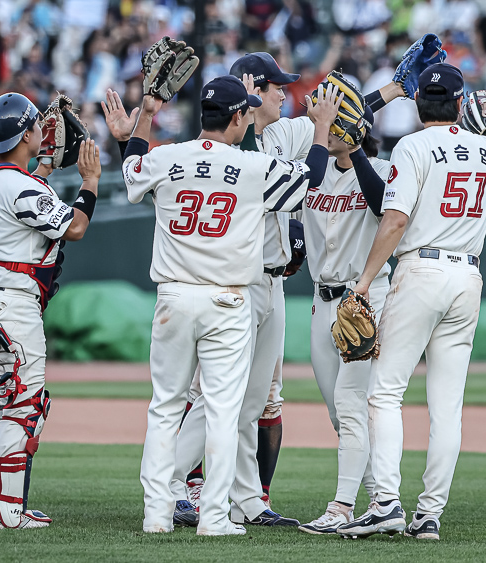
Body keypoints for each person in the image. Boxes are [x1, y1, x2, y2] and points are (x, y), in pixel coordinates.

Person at [338, 64, 486, 540]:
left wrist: (363, 283)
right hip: (467, 276)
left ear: (417, 104)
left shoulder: (412, 146)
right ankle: (429, 514)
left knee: (385, 392)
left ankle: (386, 503)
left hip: (421, 270)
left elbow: (393, 221)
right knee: (446, 407)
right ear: (458, 104)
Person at [124, 75, 337, 536]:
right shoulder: (252, 166)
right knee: (222, 409)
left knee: (165, 407)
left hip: (173, 296)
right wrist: (320, 128)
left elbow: (131, 165)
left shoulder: (168, 157)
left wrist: (147, 111)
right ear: (239, 117)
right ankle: (214, 517)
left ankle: (156, 514)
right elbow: (312, 177)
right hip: (227, 299)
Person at [0, 93, 100, 529]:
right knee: (26, 403)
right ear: (25, 133)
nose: (42, 129)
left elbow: (22, 192)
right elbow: (77, 226)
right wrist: (90, 181)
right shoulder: (19, 184)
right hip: (9, 304)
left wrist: (44, 164)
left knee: (2, 394)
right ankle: (7, 510)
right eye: (35, 125)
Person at [297, 101, 395, 535]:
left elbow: (382, 206)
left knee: (352, 405)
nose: (326, 128)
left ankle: (342, 507)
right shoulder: (312, 169)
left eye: (335, 122)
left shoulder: (382, 168)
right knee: (341, 414)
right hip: (323, 301)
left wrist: (355, 149)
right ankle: (382, 502)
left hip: (364, 297)